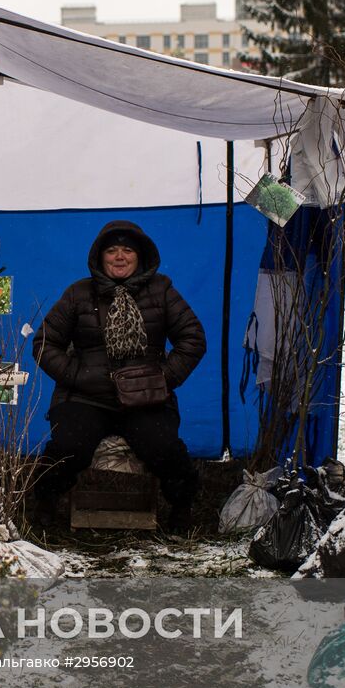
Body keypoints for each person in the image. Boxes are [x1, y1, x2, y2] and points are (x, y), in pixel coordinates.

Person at [31, 220, 207, 533]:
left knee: (165, 448)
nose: (120, 256)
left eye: (128, 250)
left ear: (141, 256)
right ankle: (43, 502)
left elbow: (193, 338)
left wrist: (160, 379)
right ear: (99, 257)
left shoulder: (161, 290)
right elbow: (44, 343)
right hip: (86, 396)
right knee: (68, 446)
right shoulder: (78, 294)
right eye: (112, 250)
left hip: (146, 399)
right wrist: (78, 375)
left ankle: (183, 507)